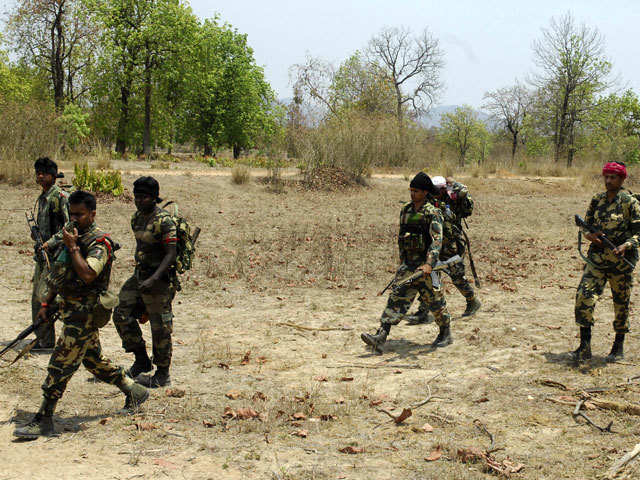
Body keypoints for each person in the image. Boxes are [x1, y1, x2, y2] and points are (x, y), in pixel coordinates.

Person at [14, 191, 148, 439]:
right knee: (94, 361)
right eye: (71, 214)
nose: (74, 219)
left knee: (59, 365)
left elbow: (88, 274)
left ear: (93, 214)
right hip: (69, 310)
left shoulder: (100, 242)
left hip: (85, 315)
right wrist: (46, 304)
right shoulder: (68, 236)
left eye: (79, 214)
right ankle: (134, 390)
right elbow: (59, 272)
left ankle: (44, 418)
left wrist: (73, 246)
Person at [361, 172, 453, 353]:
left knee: (435, 301)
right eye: (411, 190)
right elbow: (402, 237)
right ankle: (381, 335)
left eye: (416, 191)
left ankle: (445, 332)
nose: (412, 194)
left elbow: (436, 241)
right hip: (409, 265)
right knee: (396, 296)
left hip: (427, 267)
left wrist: (429, 263)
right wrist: (402, 260)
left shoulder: (433, 213)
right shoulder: (406, 210)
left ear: (425, 192)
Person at [112, 177, 178, 387]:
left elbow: (171, 254)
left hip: (160, 279)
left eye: (144, 197)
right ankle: (141, 359)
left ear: (154, 198)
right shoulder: (137, 218)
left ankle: (162, 374)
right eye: (137, 197)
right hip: (140, 276)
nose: (139, 201)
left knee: (160, 327)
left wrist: (154, 278)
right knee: (121, 312)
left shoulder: (165, 221)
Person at [572, 161, 640, 362]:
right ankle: (584, 347)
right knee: (583, 297)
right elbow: (586, 225)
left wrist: (625, 246)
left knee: (621, 304)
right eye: (606, 177)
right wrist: (589, 235)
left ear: (621, 179)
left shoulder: (630, 203)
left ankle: (618, 346)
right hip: (597, 260)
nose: (608, 181)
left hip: (621, 262)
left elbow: (638, 233)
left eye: (613, 177)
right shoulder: (597, 200)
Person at [406, 175, 481, 324]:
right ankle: (423, 311)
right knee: (429, 277)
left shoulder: (453, 197)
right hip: (434, 243)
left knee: (457, 276)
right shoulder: (429, 199)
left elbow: (463, 207)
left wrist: (451, 189)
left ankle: (472, 301)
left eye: (437, 190)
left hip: (451, 245)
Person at [31, 157, 69, 349]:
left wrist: (50, 243)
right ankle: (44, 340)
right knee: (38, 298)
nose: (40, 176)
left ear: (53, 176)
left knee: (55, 301)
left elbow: (71, 226)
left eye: (44, 173)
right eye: (38, 172)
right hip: (43, 257)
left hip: (57, 258)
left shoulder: (61, 198)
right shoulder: (43, 198)